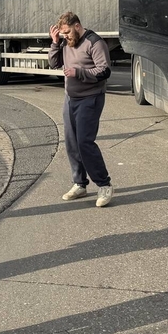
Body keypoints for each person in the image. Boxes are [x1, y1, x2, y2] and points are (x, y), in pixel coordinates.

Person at [48, 11, 113, 207]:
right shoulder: (65, 42)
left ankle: (104, 185)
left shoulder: (94, 42)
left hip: (90, 98)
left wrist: (79, 72)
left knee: (84, 142)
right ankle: (80, 184)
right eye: (62, 33)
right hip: (70, 99)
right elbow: (53, 63)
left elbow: (104, 71)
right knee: (71, 143)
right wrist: (54, 42)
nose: (65, 36)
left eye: (67, 32)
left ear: (77, 26)